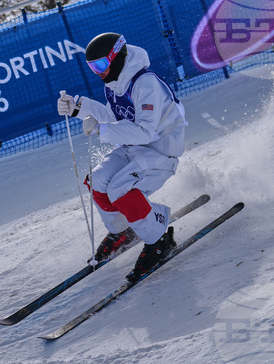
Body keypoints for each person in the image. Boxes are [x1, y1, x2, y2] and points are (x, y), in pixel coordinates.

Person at [57, 32, 186, 281]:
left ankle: (158, 238)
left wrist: (100, 129)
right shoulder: (114, 83)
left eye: (101, 65)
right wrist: (77, 108)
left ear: (116, 58)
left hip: (160, 152)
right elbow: (115, 118)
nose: (98, 71)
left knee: (120, 190)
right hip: (132, 148)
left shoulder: (145, 83)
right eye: (92, 67)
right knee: (97, 182)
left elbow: (146, 131)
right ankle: (123, 231)